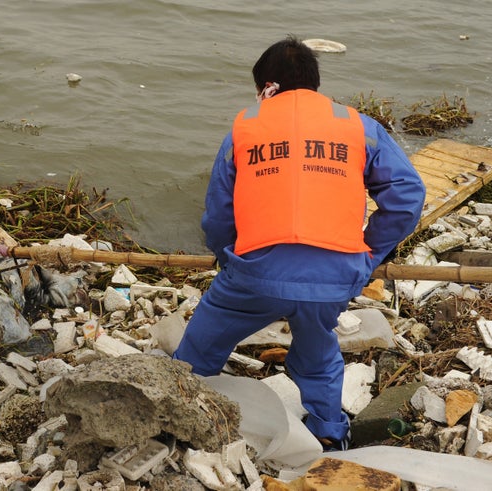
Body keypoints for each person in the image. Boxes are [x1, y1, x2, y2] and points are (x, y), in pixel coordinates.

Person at [173, 36, 426, 450]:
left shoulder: (245, 126)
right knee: (318, 349)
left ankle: (177, 411)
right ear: (314, 82)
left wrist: (229, 259)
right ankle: (329, 432)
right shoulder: (358, 125)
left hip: (254, 276)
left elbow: (218, 215)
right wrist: (368, 254)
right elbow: (407, 195)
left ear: (265, 86)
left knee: (199, 348)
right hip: (333, 279)